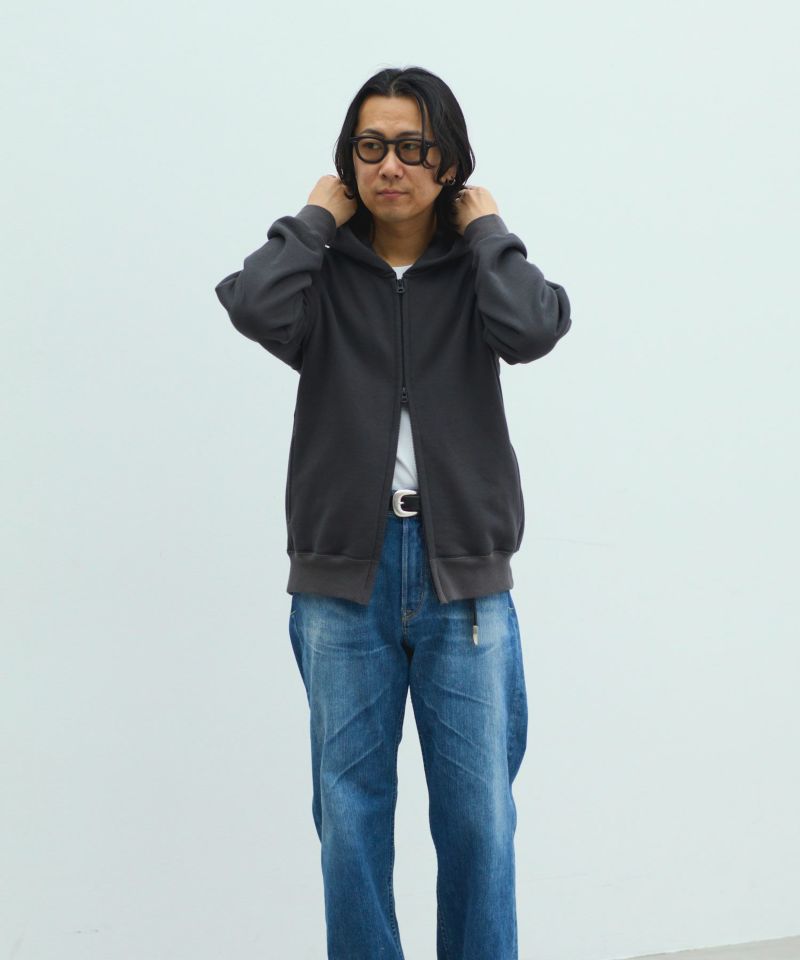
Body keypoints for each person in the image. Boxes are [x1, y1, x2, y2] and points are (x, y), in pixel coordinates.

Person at [215, 65, 572, 960]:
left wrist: (488, 231)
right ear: (348, 161)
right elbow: (253, 304)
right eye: (370, 146)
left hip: (464, 584)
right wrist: (313, 220)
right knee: (350, 823)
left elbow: (534, 329)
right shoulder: (320, 272)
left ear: (448, 162)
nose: (391, 165)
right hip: (344, 581)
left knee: (481, 823)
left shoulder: (477, 270)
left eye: (413, 147)